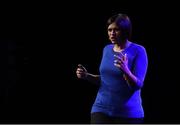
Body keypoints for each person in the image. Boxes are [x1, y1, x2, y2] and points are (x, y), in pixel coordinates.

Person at [76, 13, 148, 124]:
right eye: (109, 30)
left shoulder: (138, 51)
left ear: (125, 31)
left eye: (116, 30)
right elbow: (106, 80)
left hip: (128, 113)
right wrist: (87, 76)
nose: (112, 33)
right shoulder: (106, 49)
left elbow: (137, 85)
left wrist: (126, 71)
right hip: (101, 108)